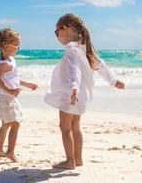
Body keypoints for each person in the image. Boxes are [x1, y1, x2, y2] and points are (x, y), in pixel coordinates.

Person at [44, 14, 125, 169]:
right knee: (75, 127)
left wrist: (73, 88)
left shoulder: (72, 50)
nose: (57, 36)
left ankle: (69, 161)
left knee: (65, 128)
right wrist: (113, 81)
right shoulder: (87, 50)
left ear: (66, 28)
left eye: (57, 32)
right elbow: (101, 66)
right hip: (82, 96)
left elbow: (74, 71)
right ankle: (78, 159)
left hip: (71, 94)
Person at [0, 28, 38, 162]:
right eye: (17, 46)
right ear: (5, 45)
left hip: (8, 97)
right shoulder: (4, 63)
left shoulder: (11, 59)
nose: (18, 48)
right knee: (15, 123)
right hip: (7, 98)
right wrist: (10, 91)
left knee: (6, 124)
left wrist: (27, 84)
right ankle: (10, 152)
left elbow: (14, 78)